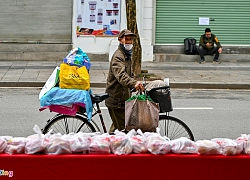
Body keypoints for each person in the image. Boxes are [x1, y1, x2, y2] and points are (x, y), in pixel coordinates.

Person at [105, 29, 144, 133]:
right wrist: (133, 83)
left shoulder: (127, 55)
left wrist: (134, 83)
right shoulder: (119, 56)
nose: (129, 42)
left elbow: (129, 74)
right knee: (124, 131)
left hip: (122, 98)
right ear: (119, 40)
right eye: (126, 39)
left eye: (130, 40)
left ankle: (108, 144)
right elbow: (121, 75)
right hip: (116, 99)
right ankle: (112, 146)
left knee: (117, 129)